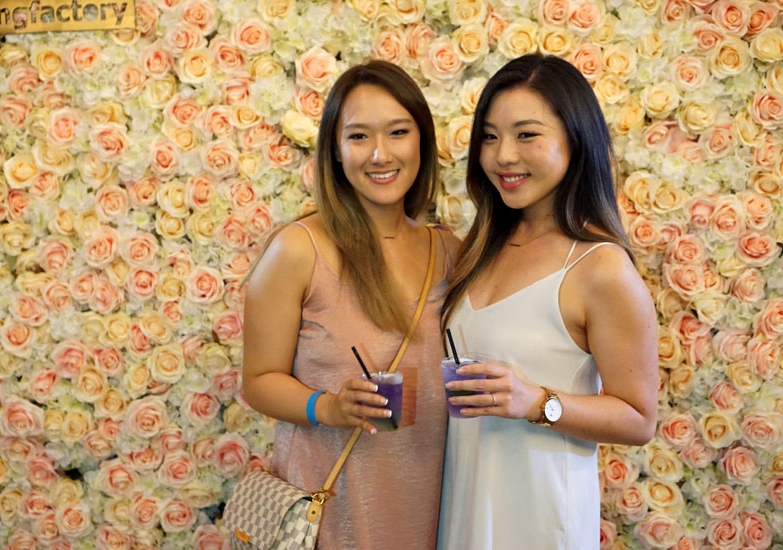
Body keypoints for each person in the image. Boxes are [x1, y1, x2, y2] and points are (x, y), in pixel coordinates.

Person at [437, 54, 658, 549]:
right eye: (490, 137)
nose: (503, 156)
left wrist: (537, 402)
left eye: (526, 134)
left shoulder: (600, 268)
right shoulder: (481, 245)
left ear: (575, 140)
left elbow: (639, 419)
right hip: (464, 501)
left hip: (537, 517)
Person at [242, 60, 459, 550]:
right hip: (332, 507)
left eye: (398, 132)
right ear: (335, 151)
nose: (380, 154)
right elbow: (258, 382)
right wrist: (329, 407)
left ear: (421, 141)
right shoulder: (299, 249)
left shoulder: (452, 252)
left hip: (433, 507)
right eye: (359, 137)